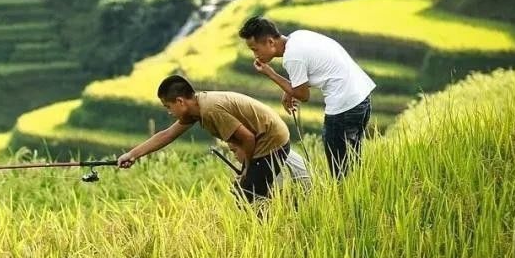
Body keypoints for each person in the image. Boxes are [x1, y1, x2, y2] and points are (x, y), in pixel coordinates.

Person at [116, 75, 308, 203]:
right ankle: (271, 222)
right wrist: (133, 154)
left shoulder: (210, 110)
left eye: (168, 106)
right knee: (247, 192)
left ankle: (269, 232)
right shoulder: (197, 108)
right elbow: (167, 135)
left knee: (248, 194)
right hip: (267, 137)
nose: (169, 112)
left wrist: (247, 169)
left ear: (180, 101)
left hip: (270, 140)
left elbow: (248, 139)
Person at [239, 15, 375, 180]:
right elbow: (318, 70)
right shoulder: (299, 36)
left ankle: (346, 198)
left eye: (255, 49)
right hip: (361, 97)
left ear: (270, 42)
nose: (255, 55)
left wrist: (271, 73)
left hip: (344, 106)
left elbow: (303, 95)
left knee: (339, 169)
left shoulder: (292, 57)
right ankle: (359, 192)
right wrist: (289, 90)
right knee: (353, 159)